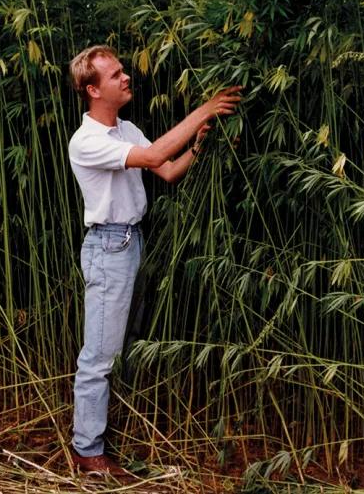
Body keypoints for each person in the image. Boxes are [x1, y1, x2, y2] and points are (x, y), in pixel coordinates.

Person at [67, 45, 241, 475]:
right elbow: (153, 157)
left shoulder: (126, 129)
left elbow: (167, 171)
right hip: (107, 247)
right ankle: (88, 450)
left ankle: (103, 436)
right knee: (99, 356)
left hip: (132, 242)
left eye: (124, 71)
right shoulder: (87, 140)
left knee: (122, 347)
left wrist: (198, 145)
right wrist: (204, 110)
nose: (126, 78)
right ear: (92, 89)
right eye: (115, 75)